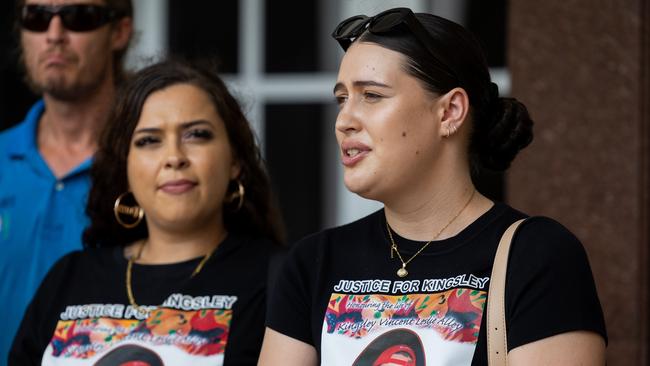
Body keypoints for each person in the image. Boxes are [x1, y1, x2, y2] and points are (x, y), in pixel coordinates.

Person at [259, 7, 607, 365]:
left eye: (372, 95)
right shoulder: (313, 262)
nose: (344, 121)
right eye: (342, 99)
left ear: (449, 111)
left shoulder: (536, 255)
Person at [9, 60, 285, 365]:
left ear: (235, 160)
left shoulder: (279, 279)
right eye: (149, 140)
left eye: (196, 134)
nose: (174, 158)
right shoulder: (69, 277)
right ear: (125, 167)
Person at [0, 0, 133, 361]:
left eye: (79, 17)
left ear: (119, 31)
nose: (54, 35)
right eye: (37, 17)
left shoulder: (150, 167)